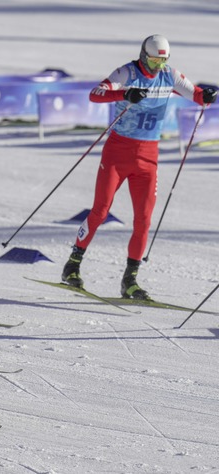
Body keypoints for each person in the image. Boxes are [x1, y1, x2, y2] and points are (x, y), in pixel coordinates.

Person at [61, 35, 217, 300]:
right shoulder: (127, 72)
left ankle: (129, 280)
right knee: (100, 210)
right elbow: (95, 94)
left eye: (162, 60)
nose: (157, 66)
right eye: (154, 60)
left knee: (143, 220)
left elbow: (198, 96)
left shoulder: (170, 75)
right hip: (118, 153)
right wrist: (124, 93)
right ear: (144, 55)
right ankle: (73, 264)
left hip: (148, 156)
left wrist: (209, 95)